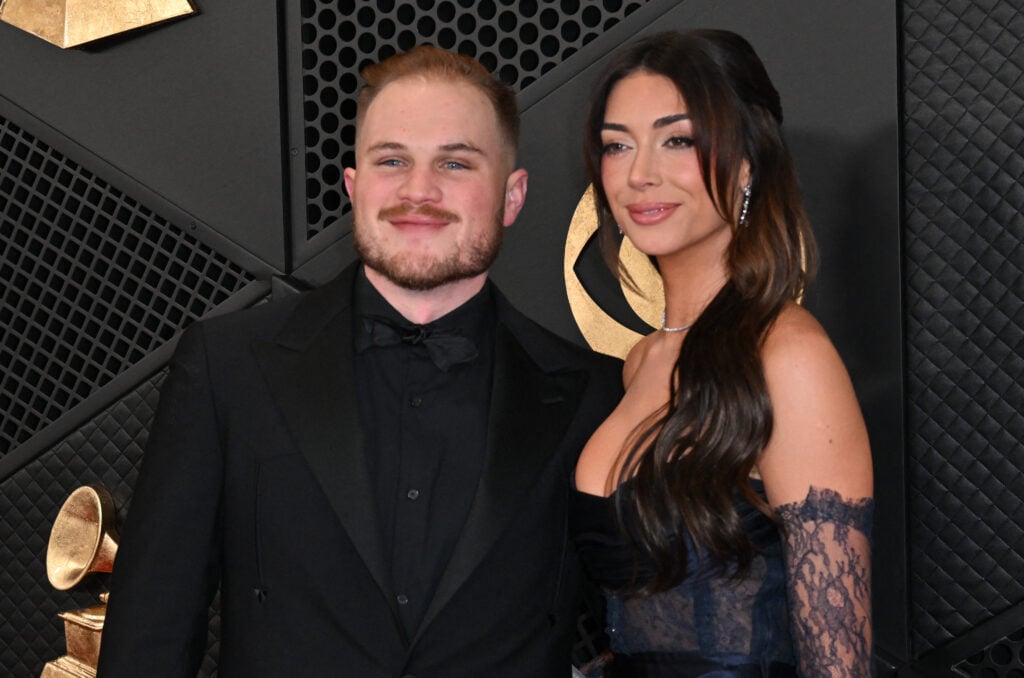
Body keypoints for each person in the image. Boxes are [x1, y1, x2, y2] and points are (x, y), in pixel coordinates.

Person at [97, 45, 622, 677]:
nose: (418, 190)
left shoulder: (592, 395)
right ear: (354, 186)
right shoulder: (229, 366)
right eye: (391, 160)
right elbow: (150, 632)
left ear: (512, 197)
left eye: (455, 163)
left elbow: (649, 621)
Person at [571, 30, 874, 677]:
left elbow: (837, 664)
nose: (640, 172)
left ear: (746, 162)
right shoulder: (642, 361)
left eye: (677, 139)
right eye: (617, 144)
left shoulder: (788, 356)